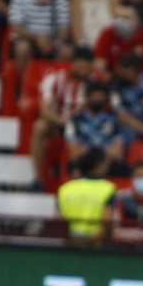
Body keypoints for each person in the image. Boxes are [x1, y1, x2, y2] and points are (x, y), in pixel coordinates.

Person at [30, 45, 93, 183]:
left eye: (86, 68)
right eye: (80, 67)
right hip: (59, 122)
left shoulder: (93, 83)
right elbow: (44, 109)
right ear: (73, 63)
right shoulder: (55, 78)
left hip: (82, 125)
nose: (83, 71)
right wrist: (62, 121)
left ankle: (80, 176)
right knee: (39, 126)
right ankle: (37, 177)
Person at [6, 0, 71, 65]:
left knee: (66, 52)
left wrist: (54, 42)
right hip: (28, 40)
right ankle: (25, 81)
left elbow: (63, 30)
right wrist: (37, 38)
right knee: (23, 48)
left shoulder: (61, 0)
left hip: (52, 42)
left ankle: (54, 81)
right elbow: (16, 26)